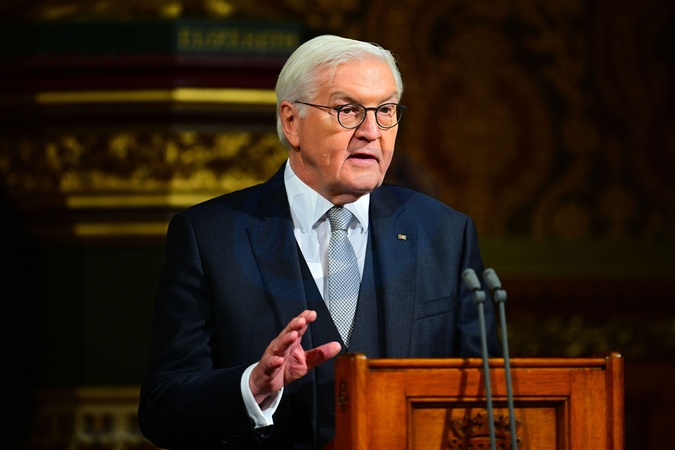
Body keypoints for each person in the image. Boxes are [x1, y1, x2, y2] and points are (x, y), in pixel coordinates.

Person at [138, 34, 501, 450]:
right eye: (348, 110)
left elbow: (489, 397)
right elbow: (162, 408)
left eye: (385, 110)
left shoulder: (445, 234)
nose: (372, 132)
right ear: (292, 122)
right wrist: (251, 387)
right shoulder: (210, 237)